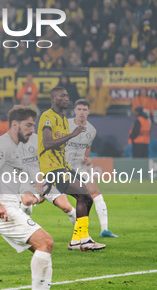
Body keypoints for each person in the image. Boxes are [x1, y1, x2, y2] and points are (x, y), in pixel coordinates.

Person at [0, 106, 54, 289]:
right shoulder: (3, 145)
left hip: (7, 207)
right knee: (46, 242)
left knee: (43, 248)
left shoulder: (16, 146)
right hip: (3, 210)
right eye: (28, 125)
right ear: (14, 124)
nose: (32, 130)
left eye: (33, 126)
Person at [38, 86, 105, 251]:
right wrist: (72, 134)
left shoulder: (62, 119)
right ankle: (84, 240)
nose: (66, 98)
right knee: (83, 196)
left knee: (87, 198)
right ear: (54, 99)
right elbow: (47, 143)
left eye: (67, 95)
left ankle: (77, 239)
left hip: (63, 167)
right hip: (52, 168)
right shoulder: (48, 116)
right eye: (62, 96)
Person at [65, 99, 118, 238]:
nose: (82, 112)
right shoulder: (66, 125)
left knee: (95, 193)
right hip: (63, 168)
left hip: (79, 168)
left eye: (84, 110)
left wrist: (86, 158)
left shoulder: (92, 130)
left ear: (88, 111)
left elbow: (87, 147)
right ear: (75, 111)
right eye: (79, 109)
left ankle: (104, 230)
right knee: (37, 199)